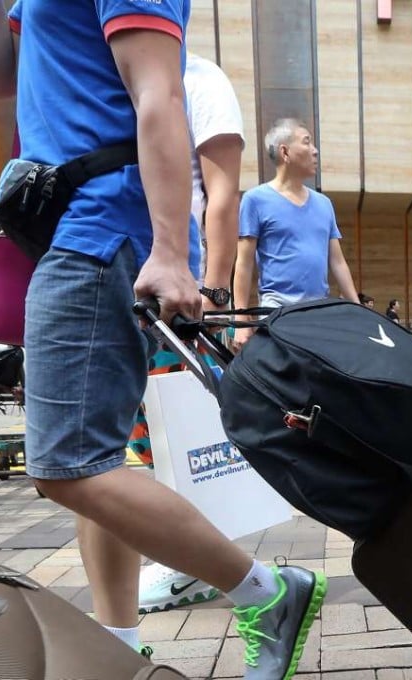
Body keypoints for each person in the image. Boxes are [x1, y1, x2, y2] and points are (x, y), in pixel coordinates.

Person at [0, 2, 326, 675]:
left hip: (100, 229)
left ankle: (268, 594)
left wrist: (169, 251)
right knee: (92, 462)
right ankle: (120, 651)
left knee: (67, 464)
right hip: (78, 230)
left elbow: (159, 90)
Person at [133, 50, 245, 614]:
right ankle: (193, 561)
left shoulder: (198, 77)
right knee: (145, 440)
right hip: (129, 277)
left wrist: (215, 291)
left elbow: (223, 194)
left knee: (175, 439)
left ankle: (200, 567)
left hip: (176, 290)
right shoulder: (109, 69)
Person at [232, 118, 360, 349]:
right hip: (276, 311)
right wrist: (241, 321)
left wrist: (358, 309)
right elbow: (244, 263)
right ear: (285, 152)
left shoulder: (324, 204)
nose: (315, 151)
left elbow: (338, 262)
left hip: (318, 312)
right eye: (307, 142)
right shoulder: (255, 200)